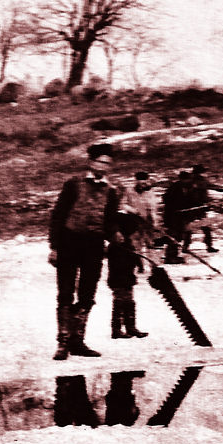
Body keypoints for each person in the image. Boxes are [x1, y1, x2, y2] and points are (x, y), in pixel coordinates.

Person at [48, 143, 120, 360]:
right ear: (91, 162)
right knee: (66, 293)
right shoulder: (73, 184)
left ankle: (77, 341)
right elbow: (58, 215)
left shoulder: (112, 191)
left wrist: (115, 234)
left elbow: (109, 221)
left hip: (94, 246)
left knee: (88, 294)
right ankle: (63, 342)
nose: (104, 166)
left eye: (108, 163)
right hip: (69, 243)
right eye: (100, 162)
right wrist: (54, 247)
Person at [106, 211, 148, 339]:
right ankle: (116, 329)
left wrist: (139, 265)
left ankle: (130, 327)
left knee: (129, 302)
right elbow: (123, 260)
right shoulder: (116, 245)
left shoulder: (127, 243)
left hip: (127, 277)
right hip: (118, 278)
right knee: (120, 302)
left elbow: (134, 256)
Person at [184, 163, 223, 253]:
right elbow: (206, 186)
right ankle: (186, 246)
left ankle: (207, 246)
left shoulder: (200, 179)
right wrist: (218, 188)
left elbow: (210, 185)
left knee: (204, 227)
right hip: (193, 207)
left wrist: (220, 188)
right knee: (190, 227)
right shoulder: (192, 181)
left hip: (201, 207)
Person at [161, 171, 194, 264]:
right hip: (172, 216)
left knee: (181, 235)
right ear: (182, 179)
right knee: (173, 236)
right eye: (187, 179)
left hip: (182, 216)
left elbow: (189, 201)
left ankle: (175, 254)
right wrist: (175, 208)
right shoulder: (174, 188)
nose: (189, 181)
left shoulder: (188, 188)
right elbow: (166, 199)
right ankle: (170, 256)